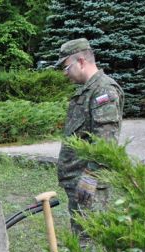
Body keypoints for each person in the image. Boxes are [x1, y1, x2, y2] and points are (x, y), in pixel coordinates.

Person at [55, 38, 124, 239]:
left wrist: (88, 181)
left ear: (81, 61)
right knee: (82, 236)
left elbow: (104, 144)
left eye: (66, 67)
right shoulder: (87, 91)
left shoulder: (103, 91)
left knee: (89, 239)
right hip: (78, 182)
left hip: (88, 185)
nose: (65, 73)